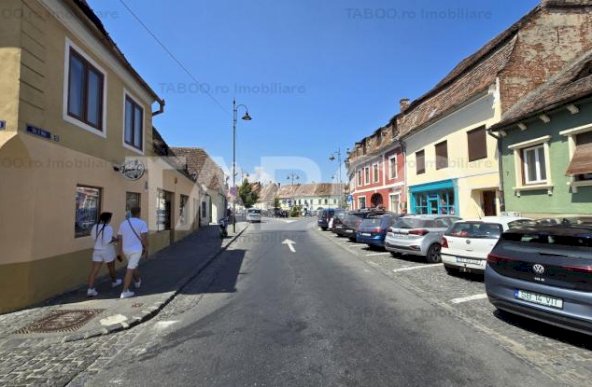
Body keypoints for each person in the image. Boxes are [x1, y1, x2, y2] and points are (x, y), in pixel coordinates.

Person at [87, 212, 122, 297]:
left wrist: (111, 238)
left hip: (97, 250)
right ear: (108, 219)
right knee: (111, 268)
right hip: (107, 250)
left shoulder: (95, 226)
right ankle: (114, 281)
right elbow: (107, 240)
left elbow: (94, 237)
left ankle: (90, 289)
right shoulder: (108, 228)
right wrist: (115, 240)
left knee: (94, 271)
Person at [117, 207, 149, 299]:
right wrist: (146, 249)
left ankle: (138, 280)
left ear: (131, 212)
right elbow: (144, 238)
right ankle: (125, 291)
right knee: (130, 268)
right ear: (139, 213)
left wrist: (120, 252)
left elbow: (119, 238)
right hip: (136, 249)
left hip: (126, 249)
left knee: (133, 265)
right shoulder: (142, 223)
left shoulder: (123, 223)